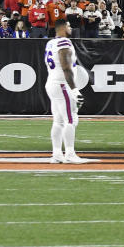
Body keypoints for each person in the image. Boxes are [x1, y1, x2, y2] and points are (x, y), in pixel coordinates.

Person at [44, 19, 85, 164]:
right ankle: (69, 153)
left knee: (58, 121)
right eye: (68, 25)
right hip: (62, 84)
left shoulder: (51, 43)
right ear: (62, 28)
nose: (70, 28)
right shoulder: (64, 43)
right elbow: (66, 67)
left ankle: (56, 154)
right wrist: (74, 89)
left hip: (52, 82)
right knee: (71, 119)